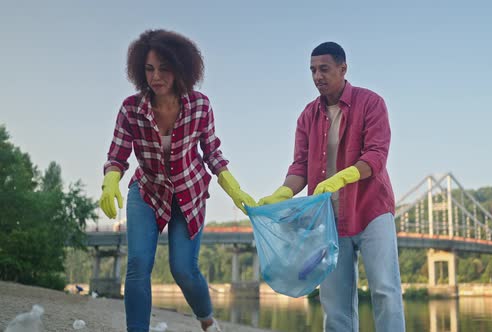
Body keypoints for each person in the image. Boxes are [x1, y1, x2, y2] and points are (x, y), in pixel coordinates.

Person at [99, 29, 255, 332]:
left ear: (181, 68)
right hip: (147, 190)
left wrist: (233, 187)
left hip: (188, 192)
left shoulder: (199, 105)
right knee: (137, 266)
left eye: (164, 68)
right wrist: (110, 181)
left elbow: (212, 152)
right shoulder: (131, 108)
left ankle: (207, 320)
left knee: (183, 268)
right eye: (149, 69)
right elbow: (117, 155)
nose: (156, 77)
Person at [258, 42, 405, 331]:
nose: (317, 76)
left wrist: (341, 177)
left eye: (324, 69)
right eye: (312, 70)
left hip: (371, 209)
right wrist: (283, 192)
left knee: (385, 291)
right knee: (334, 301)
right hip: (326, 218)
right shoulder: (307, 116)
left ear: (343, 68)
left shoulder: (371, 103)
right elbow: (300, 166)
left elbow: (376, 155)